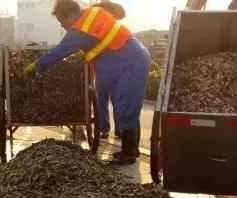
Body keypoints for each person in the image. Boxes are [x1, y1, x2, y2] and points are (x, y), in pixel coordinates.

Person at [25, 0, 151, 166]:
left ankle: (128, 154)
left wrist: (36, 66)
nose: (63, 26)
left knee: (126, 107)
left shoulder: (78, 33)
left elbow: (58, 52)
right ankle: (130, 150)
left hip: (130, 62)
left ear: (67, 16)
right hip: (130, 57)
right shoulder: (93, 12)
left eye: (61, 21)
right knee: (126, 106)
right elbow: (117, 14)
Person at [91, 1, 126, 139]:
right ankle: (107, 129)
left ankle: (114, 129)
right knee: (103, 101)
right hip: (102, 71)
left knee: (112, 101)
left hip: (112, 71)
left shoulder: (114, 29)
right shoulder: (97, 30)